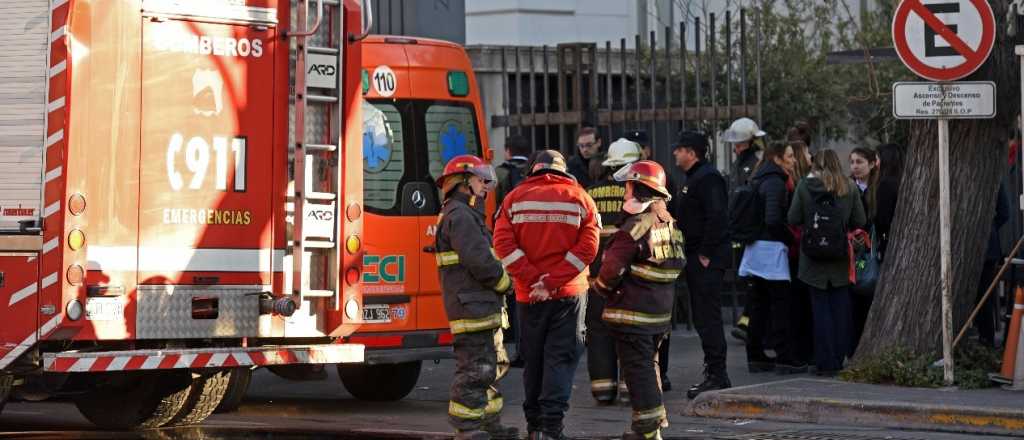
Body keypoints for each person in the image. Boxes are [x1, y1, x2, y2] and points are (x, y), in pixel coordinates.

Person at [493, 150, 600, 440]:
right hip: (568, 294)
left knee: (534, 360)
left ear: (533, 169)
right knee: (560, 358)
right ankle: (553, 428)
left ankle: (534, 428)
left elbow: (502, 243)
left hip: (529, 297)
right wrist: (553, 281)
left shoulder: (513, 199)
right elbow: (588, 248)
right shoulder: (580, 198)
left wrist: (533, 280)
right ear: (564, 171)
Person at [593, 160, 684, 440]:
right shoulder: (668, 222)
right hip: (658, 315)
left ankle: (646, 431)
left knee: (637, 372)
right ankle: (653, 426)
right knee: (649, 367)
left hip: (632, 313)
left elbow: (611, 270)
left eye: (628, 187)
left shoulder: (635, 226)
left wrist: (600, 288)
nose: (624, 193)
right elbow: (678, 263)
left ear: (639, 188)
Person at [434, 155, 519, 440]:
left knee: (490, 369)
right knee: (475, 370)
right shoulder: (460, 216)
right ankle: (467, 430)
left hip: (478, 305)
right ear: (462, 182)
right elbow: (480, 261)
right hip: (472, 308)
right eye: (480, 180)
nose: (485, 185)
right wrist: (506, 283)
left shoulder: (463, 214)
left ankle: (489, 423)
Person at [788, 149, 866, 376]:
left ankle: (824, 361)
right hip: (840, 257)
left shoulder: (804, 186)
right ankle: (840, 357)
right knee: (841, 310)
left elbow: (792, 218)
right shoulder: (849, 187)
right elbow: (859, 220)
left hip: (812, 259)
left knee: (819, 311)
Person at [671, 131, 732, 398]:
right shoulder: (695, 178)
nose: (675, 153)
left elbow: (717, 216)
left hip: (705, 258)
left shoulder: (707, 178)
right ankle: (715, 373)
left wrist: (705, 253)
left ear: (691, 152)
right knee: (703, 317)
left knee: (708, 318)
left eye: (679, 149)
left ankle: (717, 375)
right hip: (697, 256)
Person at [737, 142, 807, 374]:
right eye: (789, 156)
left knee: (759, 304)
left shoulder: (759, 177)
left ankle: (755, 355)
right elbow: (773, 219)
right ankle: (785, 356)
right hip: (771, 250)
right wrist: (790, 239)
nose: (793, 159)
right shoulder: (776, 182)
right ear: (778, 158)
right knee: (780, 305)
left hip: (757, 248)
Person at [584, 138, 642, 405]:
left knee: (599, 332)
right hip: (630, 281)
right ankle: (631, 389)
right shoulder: (634, 198)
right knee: (629, 334)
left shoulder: (589, 194)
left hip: (595, 279)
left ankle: (603, 390)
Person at [724, 117, 765, 345]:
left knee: (752, 279)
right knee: (747, 278)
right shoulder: (740, 162)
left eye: (739, 143)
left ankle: (749, 322)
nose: (736, 147)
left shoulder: (755, 162)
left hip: (750, 229)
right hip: (740, 229)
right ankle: (748, 321)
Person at [495, 134, 532, 368]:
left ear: (507, 151)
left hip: (507, 244)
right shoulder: (533, 172)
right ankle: (531, 349)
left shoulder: (499, 173)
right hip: (532, 242)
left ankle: (518, 347)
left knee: (514, 296)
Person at [848, 147, 878, 355]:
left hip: (871, 251)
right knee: (855, 300)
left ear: (871, 163)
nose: (855, 167)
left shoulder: (876, 188)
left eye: (860, 162)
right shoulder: (849, 188)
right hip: (854, 252)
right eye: (852, 162)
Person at [873, 143, 905, 261]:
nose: (876, 164)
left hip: (889, 243)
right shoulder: (903, 181)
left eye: (877, 159)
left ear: (886, 160)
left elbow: (883, 220)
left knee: (861, 265)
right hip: (901, 240)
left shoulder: (885, 184)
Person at [724, 117, 766, 189]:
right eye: (735, 146)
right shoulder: (737, 163)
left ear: (752, 144)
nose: (735, 150)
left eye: (739, 146)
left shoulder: (759, 164)